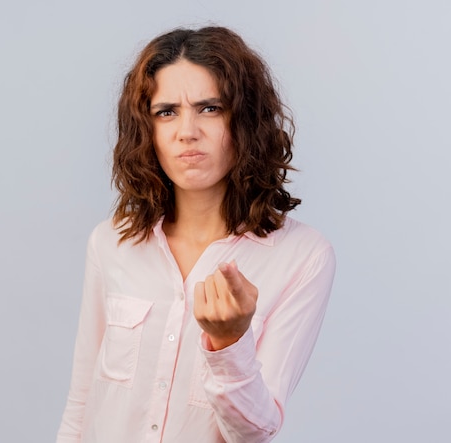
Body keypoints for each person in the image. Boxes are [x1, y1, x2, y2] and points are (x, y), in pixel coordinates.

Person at [56, 26, 336, 443]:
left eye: (210, 108)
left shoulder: (302, 256)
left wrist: (228, 343)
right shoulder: (111, 242)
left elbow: (254, 431)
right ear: (145, 130)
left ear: (245, 120)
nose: (187, 131)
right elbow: (81, 405)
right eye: (166, 111)